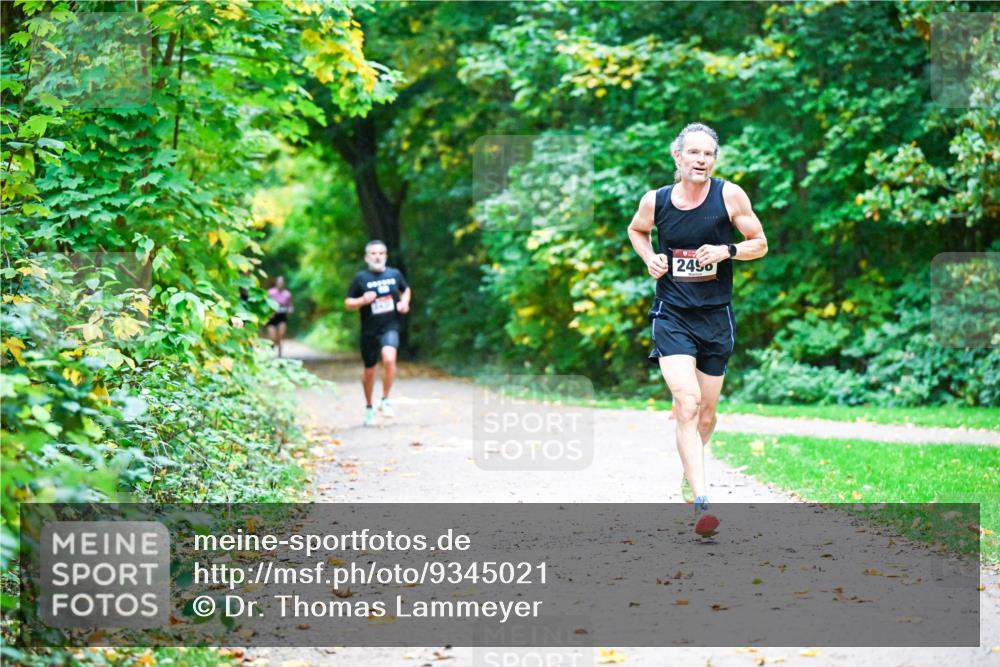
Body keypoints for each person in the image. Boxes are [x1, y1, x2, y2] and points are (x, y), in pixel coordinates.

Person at [626, 122, 768, 519]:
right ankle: (703, 500)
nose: (701, 160)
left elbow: (760, 243)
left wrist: (728, 250)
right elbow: (637, 231)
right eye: (694, 153)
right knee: (686, 404)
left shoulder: (729, 195)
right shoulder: (657, 201)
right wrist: (649, 256)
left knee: (706, 413)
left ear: (714, 160)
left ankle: (692, 471)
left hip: (715, 317)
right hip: (671, 314)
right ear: (678, 157)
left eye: (708, 154)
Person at [344, 240, 411, 427]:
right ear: (367, 257)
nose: (377, 256)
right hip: (369, 330)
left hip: (390, 325)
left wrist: (404, 303)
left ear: (386, 256)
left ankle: (385, 399)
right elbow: (348, 302)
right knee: (369, 370)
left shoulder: (394, 274)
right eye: (373, 253)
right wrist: (362, 300)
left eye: (381, 253)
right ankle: (368, 407)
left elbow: (406, 290)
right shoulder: (360, 278)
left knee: (389, 358)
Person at [266, 276, 294, 357]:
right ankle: (271, 350)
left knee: (280, 335)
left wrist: (290, 310)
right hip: (272, 317)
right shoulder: (270, 292)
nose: (280, 284)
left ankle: (279, 355)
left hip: (282, 316)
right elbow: (265, 304)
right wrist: (269, 312)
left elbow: (290, 305)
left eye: (281, 283)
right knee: (272, 337)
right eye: (279, 282)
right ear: (276, 283)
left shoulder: (287, 294)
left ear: (284, 284)